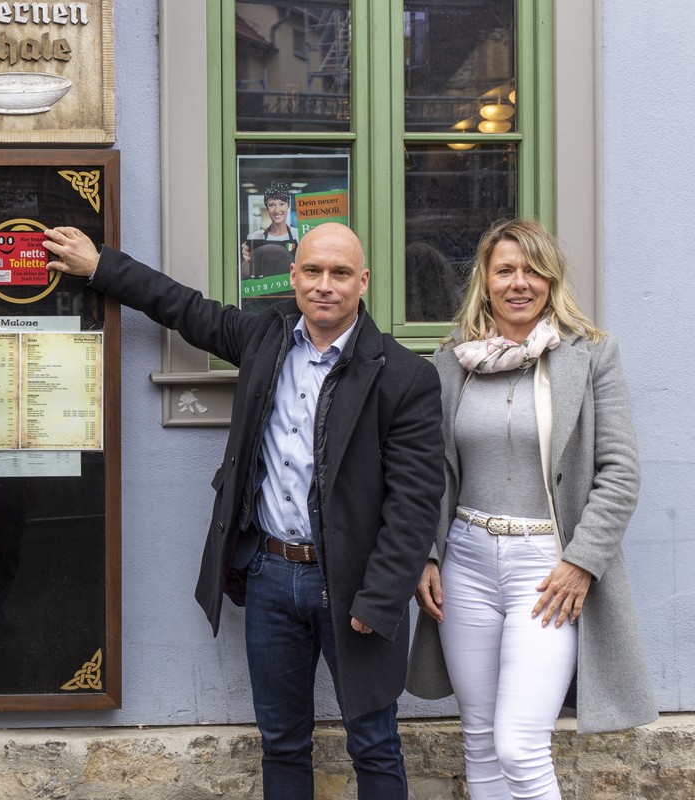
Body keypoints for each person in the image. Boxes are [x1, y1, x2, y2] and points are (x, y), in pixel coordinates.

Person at [44, 222, 444, 799]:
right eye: (312, 271)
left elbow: (413, 501)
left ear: (363, 281)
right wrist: (101, 266)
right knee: (281, 742)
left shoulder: (406, 376)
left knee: (374, 745)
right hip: (272, 579)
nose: (324, 285)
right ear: (293, 276)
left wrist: (381, 599)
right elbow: (183, 307)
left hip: (355, 586)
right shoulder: (266, 338)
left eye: (338, 273)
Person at [406, 218, 657, 799]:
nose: (520, 283)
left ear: (551, 278)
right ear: (485, 281)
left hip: (547, 569)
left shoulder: (590, 355)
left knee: (520, 743)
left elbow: (619, 472)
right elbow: (430, 473)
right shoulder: (452, 361)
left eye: (533, 270)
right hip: (465, 563)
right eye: (505, 270)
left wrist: (582, 561)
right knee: (480, 738)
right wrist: (427, 554)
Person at [242, 182, 298, 280]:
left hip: (290, 291)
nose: (277, 210)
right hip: (264, 291)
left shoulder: (298, 234)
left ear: (288, 206)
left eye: (281, 204)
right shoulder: (256, 236)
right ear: (267, 208)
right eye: (272, 205)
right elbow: (244, 274)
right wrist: (248, 258)